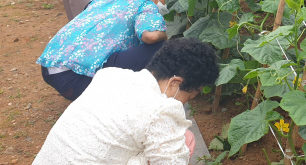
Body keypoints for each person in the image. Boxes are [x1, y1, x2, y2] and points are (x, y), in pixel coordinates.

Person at [33, 38, 220, 165]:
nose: (185, 103)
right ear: (175, 83)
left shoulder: (110, 75)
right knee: (185, 140)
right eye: (191, 96)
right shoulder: (161, 109)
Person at [37, 0, 170, 101]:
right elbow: (150, 36)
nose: (164, 1)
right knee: (160, 47)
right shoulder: (144, 4)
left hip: (50, 68)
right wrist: (164, 35)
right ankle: (147, 96)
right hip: (77, 80)